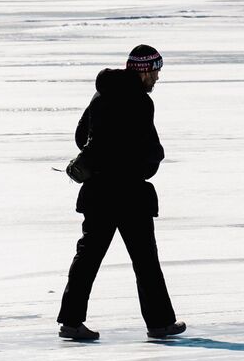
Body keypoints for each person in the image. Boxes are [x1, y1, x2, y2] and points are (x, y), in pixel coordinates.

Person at [57, 44, 185, 342]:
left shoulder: (101, 95)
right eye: (155, 71)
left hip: (98, 192)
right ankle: (160, 323)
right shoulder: (140, 102)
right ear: (143, 71)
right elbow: (149, 148)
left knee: (87, 259)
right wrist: (149, 163)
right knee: (145, 262)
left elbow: (81, 137)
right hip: (129, 193)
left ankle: (71, 322)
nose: (157, 78)